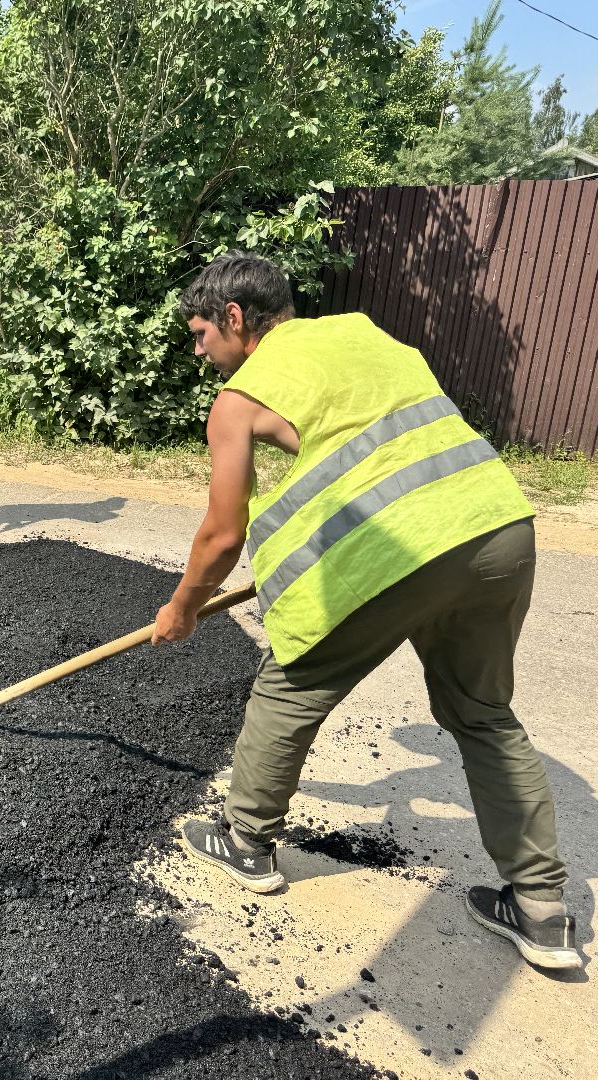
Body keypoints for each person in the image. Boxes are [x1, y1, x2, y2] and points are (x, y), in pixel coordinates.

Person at [157, 252, 578, 970]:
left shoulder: (239, 396)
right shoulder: (366, 334)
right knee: (483, 713)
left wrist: (182, 606)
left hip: (403, 553)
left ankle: (247, 841)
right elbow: (373, 451)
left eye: (201, 334)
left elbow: (223, 533)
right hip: (498, 528)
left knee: (290, 683)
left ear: (234, 319)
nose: (199, 352)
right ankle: (542, 911)